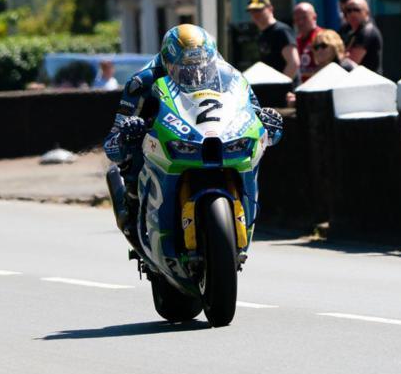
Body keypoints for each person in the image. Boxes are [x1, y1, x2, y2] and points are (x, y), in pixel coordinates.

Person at [103, 24, 283, 248]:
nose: (195, 72)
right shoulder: (142, 82)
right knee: (133, 150)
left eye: (202, 65)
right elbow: (112, 143)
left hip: (211, 137)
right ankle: (132, 207)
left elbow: (253, 111)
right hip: (161, 141)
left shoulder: (231, 77)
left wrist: (266, 121)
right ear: (168, 61)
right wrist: (127, 134)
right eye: (186, 66)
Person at [247, 0, 298, 80]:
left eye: (259, 10)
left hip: (284, 87)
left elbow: (293, 63)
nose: (255, 14)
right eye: (252, 11)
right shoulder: (261, 35)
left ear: (270, 9)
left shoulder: (281, 31)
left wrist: (282, 85)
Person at [341, 0, 383, 74]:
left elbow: (350, 63)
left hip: (368, 79)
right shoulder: (347, 30)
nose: (352, 14)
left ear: (367, 12)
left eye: (357, 10)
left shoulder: (367, 31)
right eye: (348, 10)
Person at [292, 2, 322, 82]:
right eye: (297, 19)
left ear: (314, 17)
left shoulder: (323, 37)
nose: (300, 22)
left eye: (304, 17)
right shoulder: (295, 41)